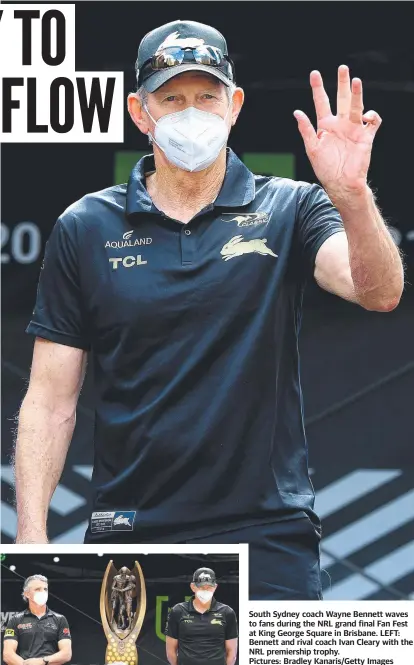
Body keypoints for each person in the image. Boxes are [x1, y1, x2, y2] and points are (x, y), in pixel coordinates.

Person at [14, 19, 403, 597]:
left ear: (235, 104)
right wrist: (31, 541)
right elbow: (49, 401)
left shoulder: (290, 208)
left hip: (268, 533)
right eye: (171, 98)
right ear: (140, 112)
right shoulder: (85, 226)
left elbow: (378, 290)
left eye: (206, 95)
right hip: (131, 532)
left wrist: (350, 197)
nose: (190, 112)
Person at [165, 567, 238, 665]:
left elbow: (232, 652)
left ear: (215, 587)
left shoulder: (227, 612)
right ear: (193, 587)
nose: (205, 590)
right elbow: (170, 651)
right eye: (201, 587)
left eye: (209, 587)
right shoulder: (178, 611)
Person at [2, 575, 72, 665]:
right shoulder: (15, 620)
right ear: (27, 594)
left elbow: (66, 654)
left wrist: (42, 661)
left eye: (45, 589)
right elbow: (8, 654)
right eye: (38, 589)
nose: (42, 592)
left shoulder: (60, 619)